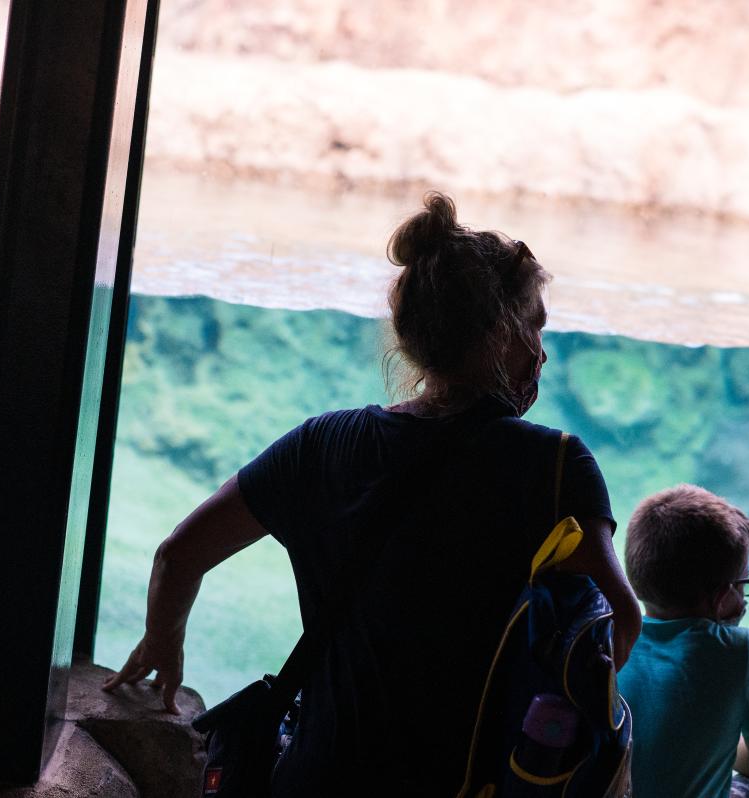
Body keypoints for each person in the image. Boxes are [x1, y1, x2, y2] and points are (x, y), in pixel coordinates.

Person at [102, 191, 642, 796]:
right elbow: (617, 627)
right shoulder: (555, 465)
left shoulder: (321, 444)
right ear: (498, 334)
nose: (542, 352)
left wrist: (163, 644)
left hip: (316, 779)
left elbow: (179, 554)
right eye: (535, 327)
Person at [617, 484, 749, 798]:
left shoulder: (610, 638)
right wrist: (720, 742)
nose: (744, 597)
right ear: (724, 596)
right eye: (744, 583)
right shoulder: (740, 651)